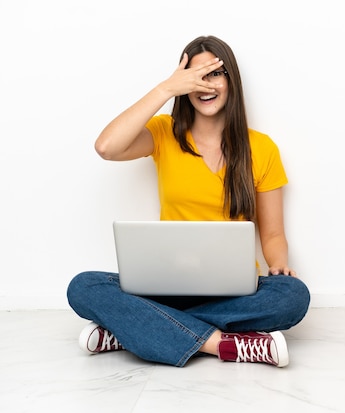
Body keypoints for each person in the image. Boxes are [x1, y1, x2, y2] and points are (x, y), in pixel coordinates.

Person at [66, 35, 310, 368]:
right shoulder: (165, 133)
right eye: (193, 76)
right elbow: (107, 147)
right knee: (83, 286)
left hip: (234, 290)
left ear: (230, 80)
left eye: (214, 74)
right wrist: (166, 88)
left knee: (293, 297)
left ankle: (131, 330)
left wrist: (278, 265)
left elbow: (272, 236)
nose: (204, 85)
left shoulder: (262, 148)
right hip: (166, 286)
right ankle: (225, 345)